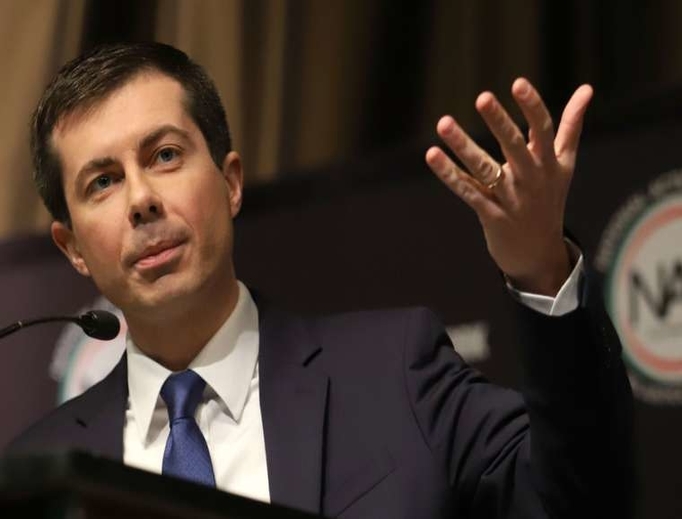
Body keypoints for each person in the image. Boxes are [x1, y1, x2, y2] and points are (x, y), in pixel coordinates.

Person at [7, 42, 633, 518]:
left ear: (230, 182)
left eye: (164, 155)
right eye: (102, 182)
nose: (140, 199)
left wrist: (542, 267)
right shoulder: (33, 469)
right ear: (72, 248)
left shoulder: (394, 373)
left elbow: (579, 497)